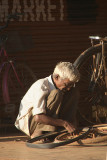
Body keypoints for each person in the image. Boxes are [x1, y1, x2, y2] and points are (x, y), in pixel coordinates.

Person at [15, 62, 80, 139]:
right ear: (56, 77)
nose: (68, 88)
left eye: (71, 85)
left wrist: (72, 124)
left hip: (45, 119)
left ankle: (65, 130)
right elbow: (38, 117)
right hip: (31, 123)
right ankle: (38, 132)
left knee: (74, 92)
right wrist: (64, 123)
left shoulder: (65, 88)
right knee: (56, 94)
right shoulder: (41, 85)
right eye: (66, 84)